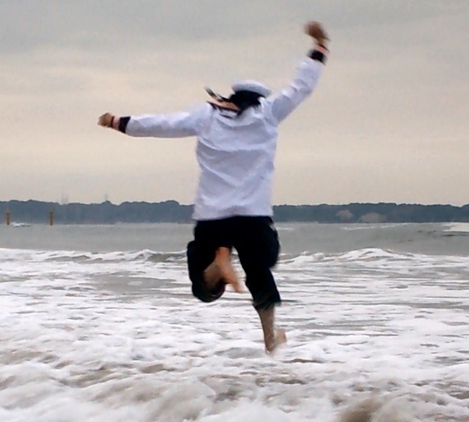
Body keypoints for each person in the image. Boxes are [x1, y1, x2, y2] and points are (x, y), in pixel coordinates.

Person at [97, 21, 329, 353]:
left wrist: (119, 122)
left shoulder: (208, 115)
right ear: (259, 99)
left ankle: (218, 265)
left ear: (232, 96)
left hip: (212, 216)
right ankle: (269, 337)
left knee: (204, 290)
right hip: (253, 215)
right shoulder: (268, 113)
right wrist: (319, 47)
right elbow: (301, 87)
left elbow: (164, 124)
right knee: (263, 264)